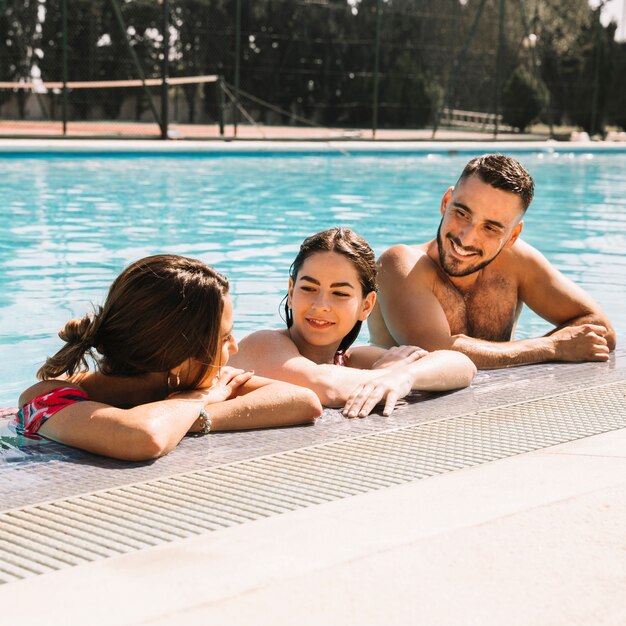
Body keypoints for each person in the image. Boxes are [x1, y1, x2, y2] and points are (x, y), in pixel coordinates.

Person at [16, 255, 322, 461]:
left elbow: (303, 401)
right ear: (178, 359)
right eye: (224, 337)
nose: (235, 348)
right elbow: (144, 437)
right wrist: (200, 398)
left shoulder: (187, 381)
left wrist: (195, 415)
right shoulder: (47, 398)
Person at [368, 154, 616, 369]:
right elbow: (435, 352)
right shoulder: (400, 265)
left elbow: (600, 329)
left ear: (513, 236)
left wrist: (560, 346)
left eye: (491, 228)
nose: (466, 238)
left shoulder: (516, 262)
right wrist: (552, 347)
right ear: (446, 202)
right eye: (462, 213)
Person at [230, 228, 476, 418]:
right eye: (308, 288)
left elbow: (462, 365)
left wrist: (405, 376)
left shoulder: (352, 361)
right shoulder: (262, 344)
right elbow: (324, 386)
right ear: (291, 291)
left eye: (340, 293)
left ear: (366, 306)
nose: (321, 305)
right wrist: (387, 374)